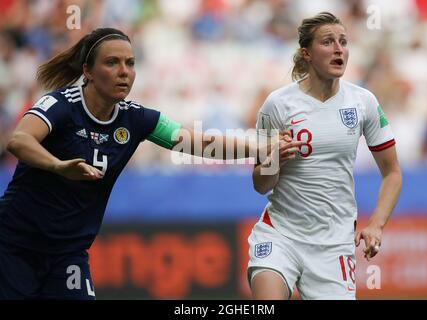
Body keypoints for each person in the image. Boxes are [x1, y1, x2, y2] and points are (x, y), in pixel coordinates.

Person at [0, 27, 300, 300]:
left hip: (68, 254)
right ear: (88, 71)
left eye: (130, 63)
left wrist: (260, 146)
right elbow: (19, 140)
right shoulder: (61, 105)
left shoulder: (136, 119)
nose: (124, 72)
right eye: (112, 63)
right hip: (13, 245)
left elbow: (198, 143)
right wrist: (57, 166)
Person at [248, 12, 402, 300]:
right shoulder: (277, 105)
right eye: (328, 42)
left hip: (335, 246)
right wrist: (274, 159)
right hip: (281, 234)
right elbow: (261, 185)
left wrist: (377, 225)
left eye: (343, 42)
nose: (338, 49)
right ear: (306, 54)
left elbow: (392, 172)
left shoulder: (363, 102)